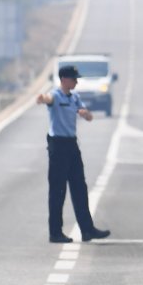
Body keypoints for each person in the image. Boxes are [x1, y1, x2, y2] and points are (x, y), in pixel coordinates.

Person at [37, 64, 111, 244]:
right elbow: (47, 99)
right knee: (58, 191)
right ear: (63, 79)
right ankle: (55, 232)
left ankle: (87, 229)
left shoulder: (75, 97)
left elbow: (88, 116)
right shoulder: (56, 95)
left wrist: (85, 114)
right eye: (73, 78)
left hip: (71, 145)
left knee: (79, 188)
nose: (76, 81)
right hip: (58, 146)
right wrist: (42, 98)